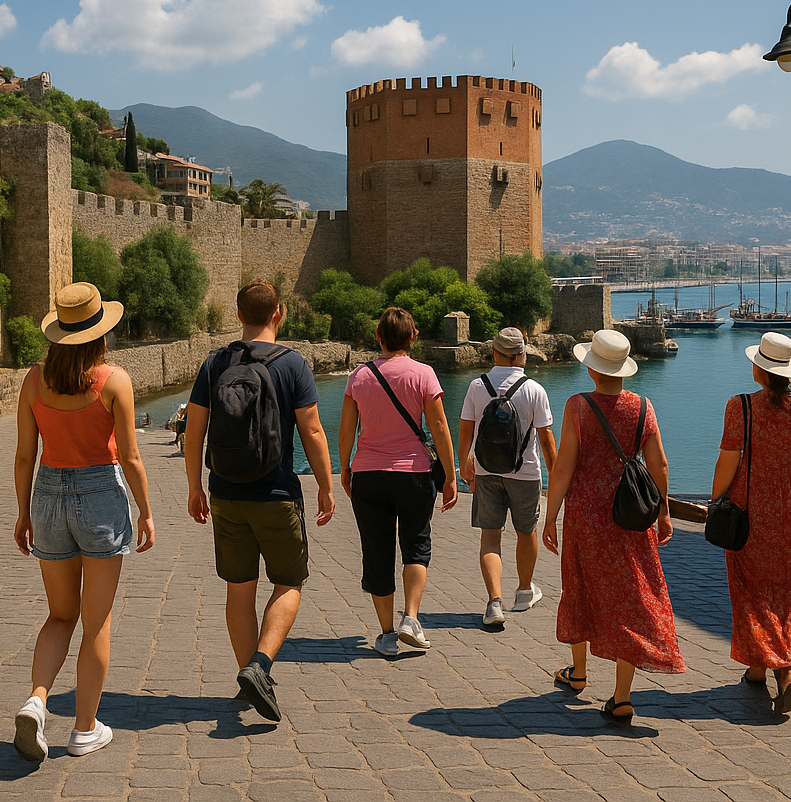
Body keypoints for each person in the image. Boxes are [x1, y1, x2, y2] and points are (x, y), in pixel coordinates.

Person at [12, 282, 154, 761]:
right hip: (100, 497)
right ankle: (84, 729)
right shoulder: (114, 381)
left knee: (59, 614)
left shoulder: (33, 380)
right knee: (96, 622)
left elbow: (23, 456)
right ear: (100, 332)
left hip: (48, 495)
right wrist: (147, 512)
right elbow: (131, 457)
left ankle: (36, 700)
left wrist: (22, 511)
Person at [183, 280, 335, 722]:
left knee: (239, 589)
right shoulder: (292, 364)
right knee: (288, 582)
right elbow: (311, 431)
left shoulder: (215, 362)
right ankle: (260, 666)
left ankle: (248, 675)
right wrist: (325, 485)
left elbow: (195, 431)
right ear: (279, 313)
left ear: (237, 314)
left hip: (225, 492)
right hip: (277, 492)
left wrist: (195, 486)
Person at [543, 329, 685, 723]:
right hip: (631, 516)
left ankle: (579, 673)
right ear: (623, 370)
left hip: (586, 517)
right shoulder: (643, 406)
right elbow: (659, 464)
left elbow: (564, 468)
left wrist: (551, 515)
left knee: (580, 586)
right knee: (631, 597)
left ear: (591, 369)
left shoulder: (578, 406)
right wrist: (664, 512)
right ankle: (621, 696)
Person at [711, 332, 791, 714]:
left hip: (749, 510)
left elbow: (727, 462)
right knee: (783, 592)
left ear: (759, 370)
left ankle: (786, 671)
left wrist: (716, 501)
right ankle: (758, 670)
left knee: (750, 591)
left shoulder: (740, 407)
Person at [338, 307, 458, 656]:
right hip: (414, 474)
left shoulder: (359, 376)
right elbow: (439, 427)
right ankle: (412, 618)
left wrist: (344, 467)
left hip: (369, 475)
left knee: (377, 552)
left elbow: (347, 429)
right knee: (416, 546)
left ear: (379, 338)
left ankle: (388, 634)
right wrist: (451, 475)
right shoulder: (424, 374)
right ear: (413, 337)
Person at [456, 328, 557, 627]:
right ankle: (525, 591)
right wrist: (557, 477)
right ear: (523, 356)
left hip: (486, 472)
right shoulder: (534, 389)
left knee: (490, 536)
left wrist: (465, 463)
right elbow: (547, 439)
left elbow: (464, 430)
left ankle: (494, 603)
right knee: (527, 531)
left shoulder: (477, 386)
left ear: (494, 353)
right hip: (525, 474)